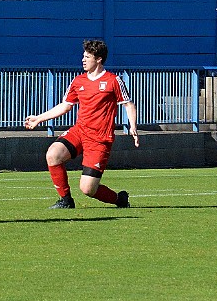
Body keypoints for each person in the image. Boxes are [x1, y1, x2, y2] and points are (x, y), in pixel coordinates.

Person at [24, 39, 139, 209]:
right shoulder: (78, 81)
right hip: (80, 131)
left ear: (98, 59)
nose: (83, 60)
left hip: (100, 139)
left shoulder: (113, 80)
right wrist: (39, 118)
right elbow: (66, 105)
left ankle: (119, 199)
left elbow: (128, 104)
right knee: (53, 154)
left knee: (87, 189)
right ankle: (66, 200)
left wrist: (133, 127)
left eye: (87, 57)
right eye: (83, 56)